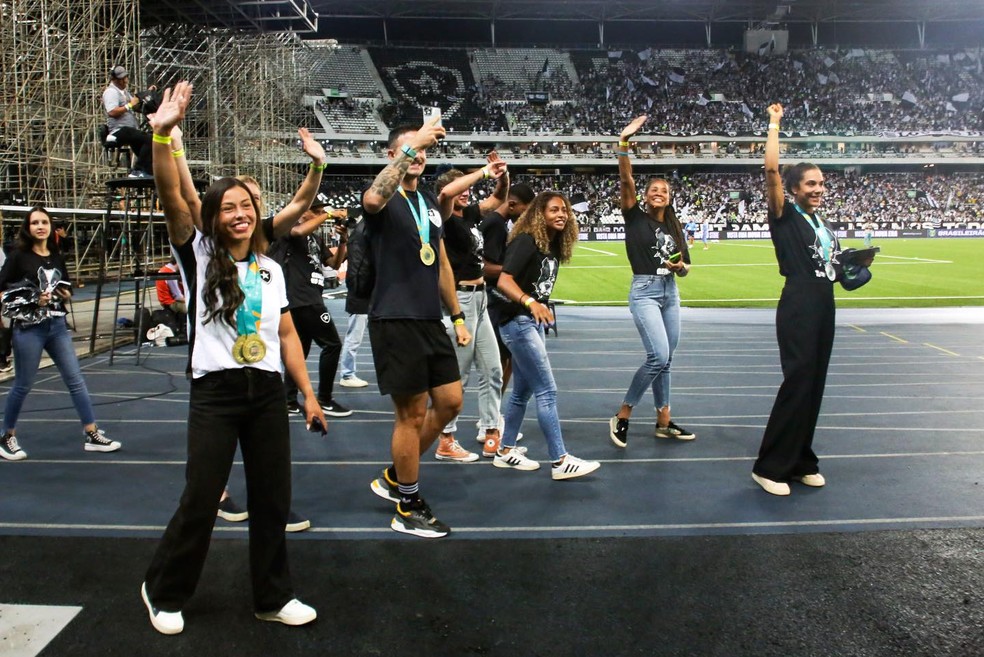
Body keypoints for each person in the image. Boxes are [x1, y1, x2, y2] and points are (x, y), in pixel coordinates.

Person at [141, 82, 326, 634]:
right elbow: (173, 195)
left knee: (273, 500)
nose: (240, 213)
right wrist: (162, 133)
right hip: (217, 393)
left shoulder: (269, 269)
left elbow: (288, 335)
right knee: (202, 499)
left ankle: (273, 595)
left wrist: (309, 395)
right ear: (216, 216)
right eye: (230, 206)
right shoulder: (197, 253)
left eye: (247, 205)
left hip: (268, 392)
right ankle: (162, 590)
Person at [363, 121, 472, 539]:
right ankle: (407, 504)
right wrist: (415, 144)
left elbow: (441, 263)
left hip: (430, 318)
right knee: (409, 414)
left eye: (424, 150)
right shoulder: (384, 196)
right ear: (393, 156)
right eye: (411, 150)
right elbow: (373, 197)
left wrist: (457, 315)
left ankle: (395, 476)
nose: (421, 155)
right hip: (394, 316)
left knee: (450, 402)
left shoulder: (427, 203)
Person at [752, 103, 838, 497]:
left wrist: (853, 266)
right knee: (798, 381)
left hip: (824, 302)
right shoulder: (784, 214)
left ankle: (801, 457)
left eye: (821, 183)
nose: (818, 190)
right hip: (800, 303)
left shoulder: (821, 223)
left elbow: (832, 266)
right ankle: (770, 465)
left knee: (815, 383)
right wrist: (774, 124)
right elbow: (771, 170)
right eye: (811, 184)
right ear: (794, 188)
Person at [491, 191, 600, 481]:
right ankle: (560, 460)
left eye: (564, 210)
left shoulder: (548, 245)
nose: (562, 214)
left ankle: (505, 450)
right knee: (547, 391)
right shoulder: (526, 241)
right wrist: (530, 302)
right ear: (540, 214)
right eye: (554, 210)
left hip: (529, 322)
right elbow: (503, 280)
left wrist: (537, 307)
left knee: (522, 392)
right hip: (517, 321)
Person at [0, 207, 121, 461]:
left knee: (75, 380)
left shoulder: (55, 256)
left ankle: (91, 432)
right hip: (29, 328)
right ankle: (7, 436)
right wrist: (32, 300)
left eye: (44, 222)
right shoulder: (18, 257)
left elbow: (63, 283)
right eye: (35, 222)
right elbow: (3, 291)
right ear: (28, 227)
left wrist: (64, 293)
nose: (40, 226)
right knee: (22, 384)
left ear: (50, 226)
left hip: (56, 325)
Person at [608, 116, 695, 449]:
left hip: (669, 292)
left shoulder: (675, 228)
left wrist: (679, 267)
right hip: (644, 291)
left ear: (669, 198)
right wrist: (624, 143)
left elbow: (686, 268)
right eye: (654, 190)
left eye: (664, 191)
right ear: (645, 197)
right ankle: (623, 414)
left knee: (667, 359)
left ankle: (663, 420)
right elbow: (626, 180)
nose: (659, 193)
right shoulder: (634, 216)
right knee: (658, 355)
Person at [433, 155, 509, 461]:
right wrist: (480, 173)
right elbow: (446, 195)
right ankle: (446, 438)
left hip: (480, 299)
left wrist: (502, 176)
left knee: (493, 369)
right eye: (459, 186)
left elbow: (498, 198)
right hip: (460, 299)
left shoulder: (469, 216)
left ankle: (491, 430)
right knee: (458, 373)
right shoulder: (446, 218)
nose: (465, 192)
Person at [267, 193, 351, 418]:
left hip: (308, 297)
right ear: (302, 211)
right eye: (315, 210)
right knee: (332, 344)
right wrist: (329, 213)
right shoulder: (288, 229)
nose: (319, 214)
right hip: (302, 298)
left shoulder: (314, 238)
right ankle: (324, 399)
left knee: (299, 349)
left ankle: (289, 399)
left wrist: (343, 241)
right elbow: (298, 231)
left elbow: (334, 263)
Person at [480, 182, 535, 394]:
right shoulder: (495, 224)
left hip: (493, 297)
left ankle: (494, 414)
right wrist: (514, 268)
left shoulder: (498, 222)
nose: (525, 216)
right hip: (493, 299)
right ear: (512, 204)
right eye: (524, 210)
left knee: (506, 358)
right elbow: (483, 267)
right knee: (501, 359)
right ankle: (492, 416)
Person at [102, 65, 153, 178]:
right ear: (114, 79)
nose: (125, 80)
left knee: (148, 144)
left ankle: (147, 171)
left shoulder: (123, 92)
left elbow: (135, 106)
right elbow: (112, 112)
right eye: (121, 78)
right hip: (119, 130)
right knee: (149, 139)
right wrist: (130, 105)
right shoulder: (111, 92)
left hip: (130, 130)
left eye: (125, 77)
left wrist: (147, 94)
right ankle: (137, 170)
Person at [338, 213, 369, 389]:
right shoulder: (361, 232)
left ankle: (348, 373)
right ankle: (347, 374)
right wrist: (359, 289)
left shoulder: (360, 230)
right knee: (355, 336)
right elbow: (358, 265)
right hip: (362, 292)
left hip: (364, 289)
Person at [156, 256, 187, 325]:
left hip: (164, 301)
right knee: (195, 309)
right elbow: (178, 297)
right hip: (171, 303)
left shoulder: (163, 269)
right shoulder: (170, 273)